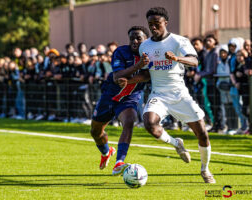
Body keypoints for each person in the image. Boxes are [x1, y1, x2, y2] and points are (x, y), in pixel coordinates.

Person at [121, 7, 216, 183]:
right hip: (159, 94)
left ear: (165, 22)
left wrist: (177, 59)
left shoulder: (179, 41)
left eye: (157, 23)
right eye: (150, 24)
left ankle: (205, 169)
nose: (153, 27)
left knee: (202, 133)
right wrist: (130, 80)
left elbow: (194, 61)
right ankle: (176, 144)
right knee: (149, 123)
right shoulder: (145, 46)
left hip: (180, 95)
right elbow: (147, 74)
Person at [90, 26, 150, 176]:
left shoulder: (151, 54)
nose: (135, 41)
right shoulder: (120, 52)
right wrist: (138, 66)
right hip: (110, 95)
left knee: (129, 121)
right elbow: (117, 77)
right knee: (96, 132)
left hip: (130, 96)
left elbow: (148, 75)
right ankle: (106, 151)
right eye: (132, 38)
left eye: (138, 38)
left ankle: (119, 162)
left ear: (146, 40)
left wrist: (130, 81)